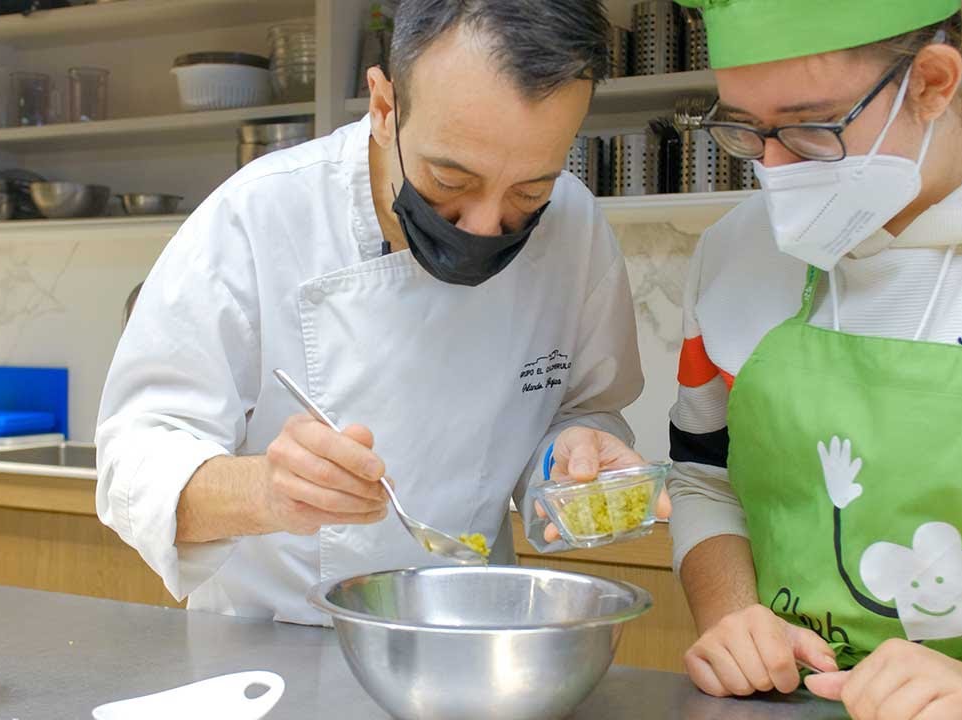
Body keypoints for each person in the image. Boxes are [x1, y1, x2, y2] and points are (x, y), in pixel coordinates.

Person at [666, 1, 962, 718]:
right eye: (744, 129)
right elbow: (704, 474)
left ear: (930, 81)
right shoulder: (735, 256)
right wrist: (731, 618)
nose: (772, 171)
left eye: (809, 127)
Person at [95, 0, 653, 625]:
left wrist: (570, 458)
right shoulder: (256, 217)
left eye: (530, 192)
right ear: (385, 108)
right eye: (450, 180)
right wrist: (266, 491)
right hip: (269, 651)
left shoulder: (574, 229)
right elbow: (135, 460)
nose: (485, 228)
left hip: (470, 640)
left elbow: (582, 408)